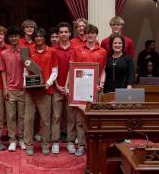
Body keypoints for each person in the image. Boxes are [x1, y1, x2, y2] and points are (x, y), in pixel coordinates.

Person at [67, 24, 107, 156]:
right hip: (80, 90)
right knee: (80, 120)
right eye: (88, 33)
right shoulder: (77, 50)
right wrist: (69, 86)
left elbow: (103, 70)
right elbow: (72, 69)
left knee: (94, 119)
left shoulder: (102, 51)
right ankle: (82, 145)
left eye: (93, 33)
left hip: (95, 90)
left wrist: (101, 84)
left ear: (96, 35)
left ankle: (94, 145)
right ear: (85, 35)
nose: (90, 35)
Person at [24, 28, 58, 156]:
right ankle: (29, 145)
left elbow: (55, 70)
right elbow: (26, 70)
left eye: (41, 36)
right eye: (36, 36)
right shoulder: (29, 51)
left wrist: (48, 83)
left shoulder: (52, 51)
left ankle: (45, 144)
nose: (38, 38)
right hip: (30, 91)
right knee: (28, 119)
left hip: (45, 90)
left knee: (45, 120)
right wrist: (25, 81)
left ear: (45, 38)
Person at [0, 26, 26, 152]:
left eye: (16, 36)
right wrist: (5, 88)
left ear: (20, 37)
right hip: (10, 89)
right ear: (8, 38)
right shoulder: (4, 53)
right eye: (11, 36)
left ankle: (21, 139)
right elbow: (3, 71)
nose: (14, 38)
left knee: (22, 116)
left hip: (24, 89)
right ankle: (12, 140)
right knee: (10, 117)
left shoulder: (25, 52)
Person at [51, 22, 76, 154]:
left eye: (66, 32)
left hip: (71, 89)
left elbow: (77, 70)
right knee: (56, 116)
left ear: (70, 33)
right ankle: (55, 141)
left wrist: (69, 87)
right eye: (61, 32)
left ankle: (70, 141)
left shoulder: (75, 49)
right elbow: (50, 70)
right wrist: (57, 85)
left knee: (71, 117)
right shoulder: (53, 50)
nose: (63, 34)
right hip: (57, 88)